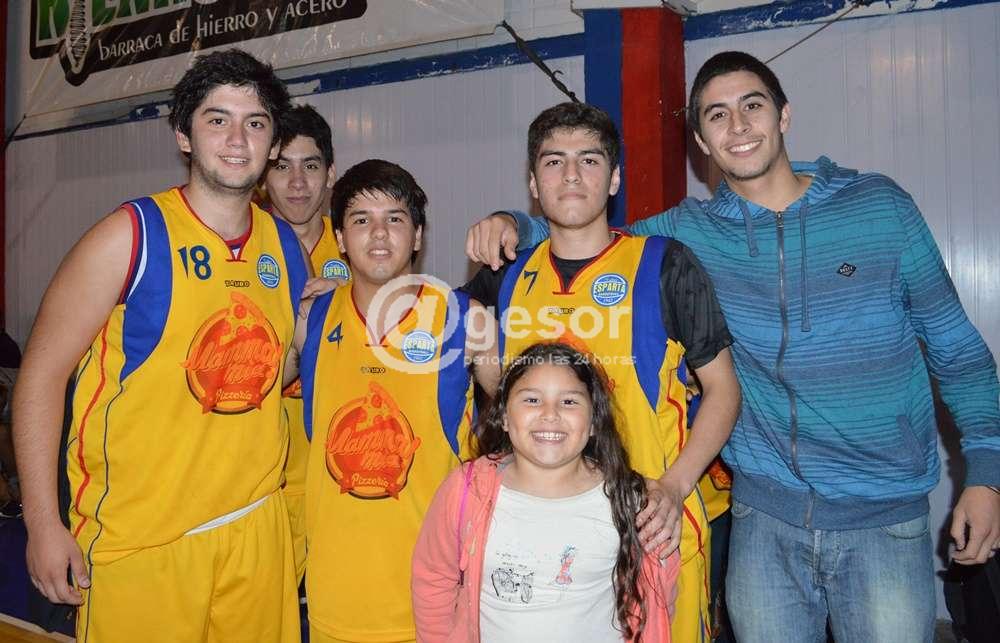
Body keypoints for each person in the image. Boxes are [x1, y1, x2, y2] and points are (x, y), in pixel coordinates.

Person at [466, 51, 1000, 642]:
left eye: (753, 106)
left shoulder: (879, 207)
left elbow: (958, 351)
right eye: (717, 115)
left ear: (784, 115)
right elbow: (588, 229)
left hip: (883, 516)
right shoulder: (689, 232)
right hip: (763, 517)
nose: (738, 125)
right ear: (700, 140)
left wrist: (987, 474)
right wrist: (513, 224)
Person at [13, 49, 306, 643]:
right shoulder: (129, 237)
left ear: (273, 143)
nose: (237, 139)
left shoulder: (285, 247)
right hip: (142, 541)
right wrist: (42, 524)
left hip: (255, 529)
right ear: (183, 136)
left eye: (255, 123)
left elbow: (273, 372)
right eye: (217, 119)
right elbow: (40, 376)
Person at [461, 102, 741, 642]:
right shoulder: (505, 278)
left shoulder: (665, 263)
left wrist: (675, 486)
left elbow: (724, 389)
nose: (571, 175)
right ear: (533, 183)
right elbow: (495, 391)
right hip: (543, 533)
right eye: (554, 161)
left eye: (589, 160)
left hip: (650, 526)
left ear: (613, 179)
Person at [284, 159, 500, 643]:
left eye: (395, 219)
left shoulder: (465, 320)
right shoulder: (310, 321)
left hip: (435, 603)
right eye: (361, 219)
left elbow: (525, 421)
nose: (379, 233)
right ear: (340, 238)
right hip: (334, 598)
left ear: (418, 235)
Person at [412, 341, 681, 642]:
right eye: (532, 400)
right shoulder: (465, 490)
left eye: (569, 402)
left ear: (594, 421)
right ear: (504, 417)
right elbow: (433, 582)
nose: (550, 414)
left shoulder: (633, 502)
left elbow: (658, 601)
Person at [263, 103, 348, 581]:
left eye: (310, 166)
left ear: (330, 173)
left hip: (339, 466)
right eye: (282, 167)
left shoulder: (363, 245)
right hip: (264, 469)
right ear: (263, 175)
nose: (297, 183)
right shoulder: (243, 249)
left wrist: (352, 297)